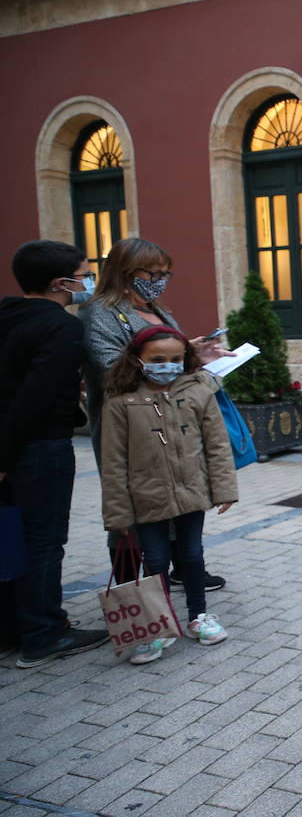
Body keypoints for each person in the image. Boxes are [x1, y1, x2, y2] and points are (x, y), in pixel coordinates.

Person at [81, 236, 230, 589]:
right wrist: (174, 366)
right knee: (132, 505)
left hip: (175, 422)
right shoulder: (99, 313)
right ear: (126, 271)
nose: (160, 279)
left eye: (166, 273)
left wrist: (193, 356)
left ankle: (185, 568)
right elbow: (110, 369)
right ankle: (131, 587)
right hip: (132, 427)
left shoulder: (160, 311)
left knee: (180, 492)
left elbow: (170, 360)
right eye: (153, 272)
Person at [0, 240, 110, 668]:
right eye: (84, 272)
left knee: (14, 536)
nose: (88, 281)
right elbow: (35, 398)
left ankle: (15, 626)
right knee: (44, 541)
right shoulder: (61, 328)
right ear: (61, 282)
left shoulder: (8, 316)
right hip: (40, 447)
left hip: (16, 445)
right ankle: (44, 633)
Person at [100, 326, 238, 665]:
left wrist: (224, 489)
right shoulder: (121, 402)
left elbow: (217, 445)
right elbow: (114, 461)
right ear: (137, 360)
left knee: (191, 554)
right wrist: (118, 514)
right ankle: (158, 625)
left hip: (191, 491)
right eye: (157, 360)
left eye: (176, 359)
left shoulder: (198, 392)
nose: (168, 365)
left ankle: (198, 616)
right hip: (146, 497)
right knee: (156, 560)